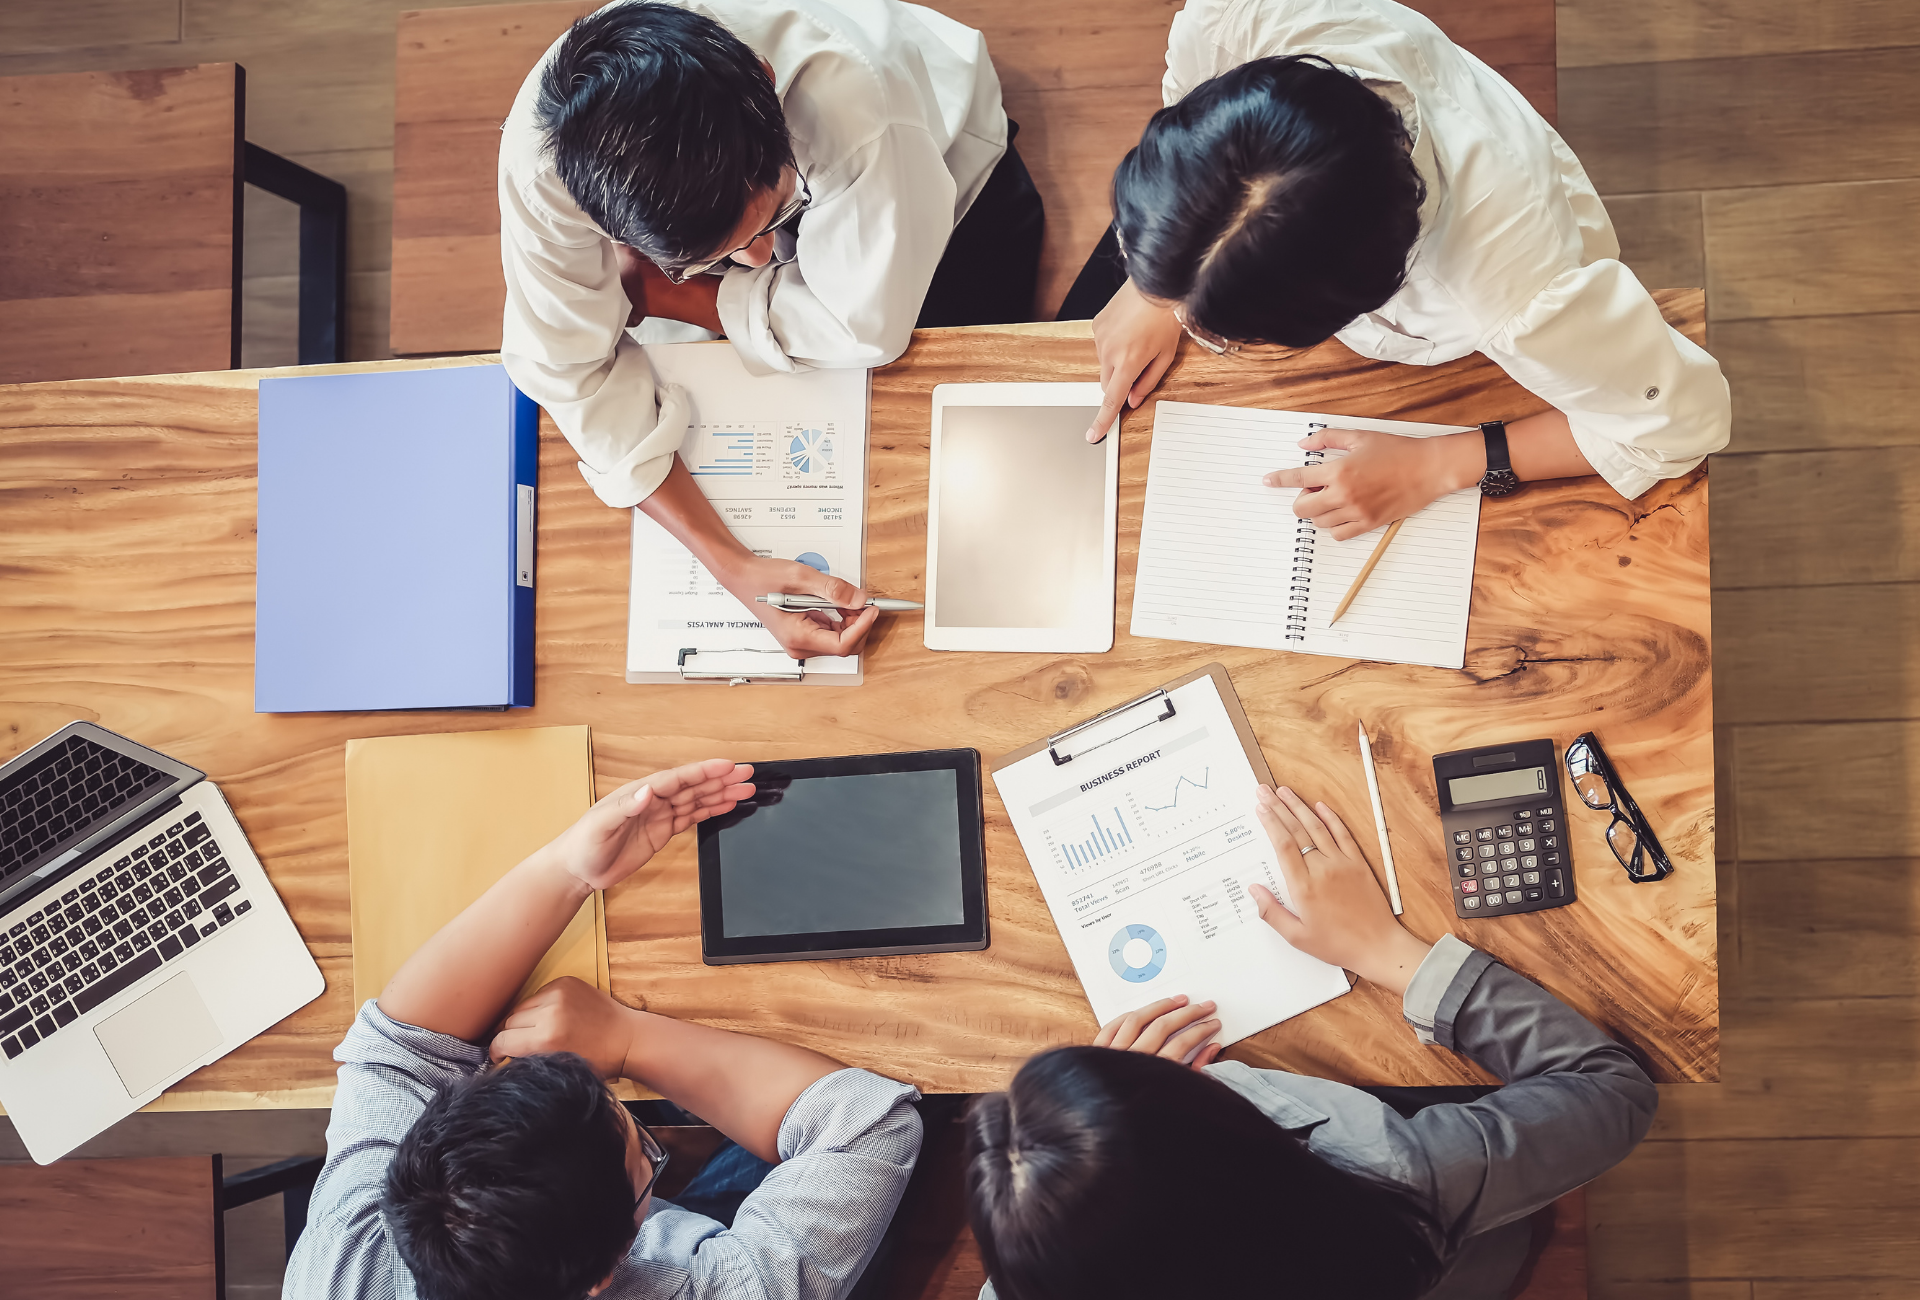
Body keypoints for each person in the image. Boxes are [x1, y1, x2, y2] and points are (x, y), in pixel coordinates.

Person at [1065, 0, 1730, 541]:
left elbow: (1681, 427)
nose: (1191, 323)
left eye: (1220, 333)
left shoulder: (1514, 293)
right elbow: (1194, 95)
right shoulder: (1248, 16)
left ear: (1357, 295)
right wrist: (1162, 279)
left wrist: (1442, 462)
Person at [964, 783, 1658, 1300]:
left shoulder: (1051, 1276)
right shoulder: (1392, 1174)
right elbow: (1612, 1091)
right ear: (1235, 1136)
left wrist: (1078, 1182)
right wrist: (1390, 952)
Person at [500, 0, 1044, 654]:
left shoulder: (858, 103)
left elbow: (864, 325)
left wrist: (680, 295)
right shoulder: (545, 170)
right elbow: (571, 375)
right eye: (718, 254)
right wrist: (734, 567)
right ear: (608, 226)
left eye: (772, 217)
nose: (762, 260)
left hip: (947, 184)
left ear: (765, 77)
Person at [283, 758, 924, 1300]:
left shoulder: (348, 1255)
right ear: (609, 1275)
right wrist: (626, 1040)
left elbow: (399, 1050)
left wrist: (568, 867)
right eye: (643, 1155)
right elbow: (869, 1122)